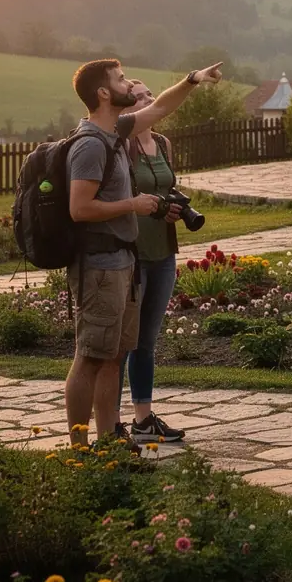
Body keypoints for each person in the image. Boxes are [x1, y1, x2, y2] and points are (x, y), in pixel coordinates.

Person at [65, 58, 223, 449]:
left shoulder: (117, 130)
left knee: (115, 355)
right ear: (104, 93)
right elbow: (79, 209)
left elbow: (162, 108)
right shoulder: (88, 144)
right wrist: (132, 205)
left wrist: (193, 79)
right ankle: (79, 448)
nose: (128, 85)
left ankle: (110, 442)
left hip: (124, 263)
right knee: (89, 356)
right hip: (99, 264)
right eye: (120, 80)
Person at [115, 80, 187, 443]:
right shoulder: (118, 144)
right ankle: (112, 422)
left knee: (146, 341)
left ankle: (143, 419)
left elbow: (165, 190)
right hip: (131, 254)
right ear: (128, 109)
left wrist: (171, 209)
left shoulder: (162, 144)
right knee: (120, 342)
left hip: (162, 252)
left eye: (149, 95)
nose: (149, 100)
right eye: (140, 97)